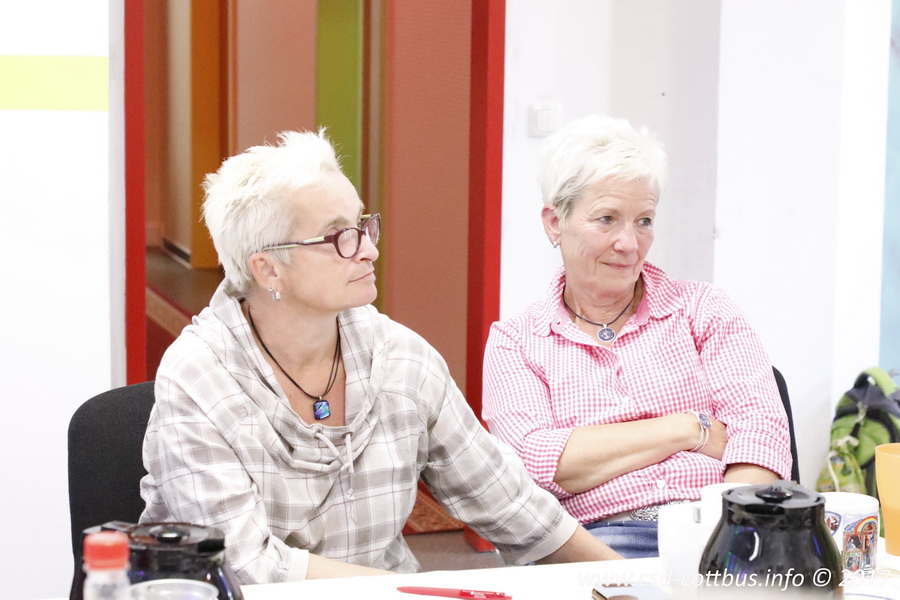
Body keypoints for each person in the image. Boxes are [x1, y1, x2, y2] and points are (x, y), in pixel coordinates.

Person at [139, 129, 621, 585]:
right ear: (268, 269)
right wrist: (411, 594)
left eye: (363, 225)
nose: (368, 250)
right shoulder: (199, 376)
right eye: (338, 236)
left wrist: (637, 583)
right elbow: (246, 567)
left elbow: (512, 505)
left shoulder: (401, 359)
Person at [482, 115, 792, 559]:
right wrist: (688, 428)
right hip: (599, 542)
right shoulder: (517, 341)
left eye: (643, 221)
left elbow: (760, 434)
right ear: (554, 222)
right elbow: (533, 465)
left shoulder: (703, 309)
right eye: (607, 219)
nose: (629, 243)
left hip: (717, 531)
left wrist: (732, 542)